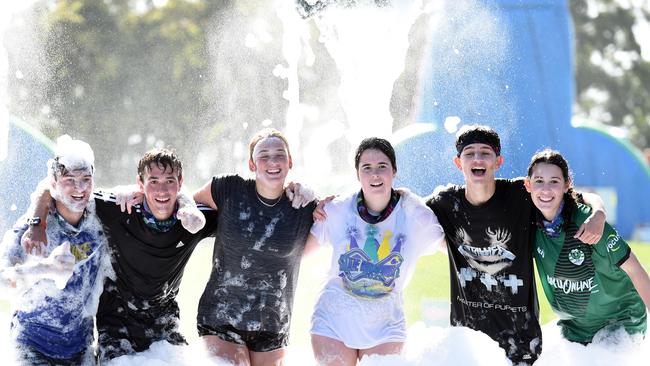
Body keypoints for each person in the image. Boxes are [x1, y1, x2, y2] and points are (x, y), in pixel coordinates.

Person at [425, 125, 607, 364]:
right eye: (469, 153)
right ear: (459, 162)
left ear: (498, 161)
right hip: (468, 339)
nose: (477, 159)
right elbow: (404, 212)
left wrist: (599, 214)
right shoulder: (445, 203)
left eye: (485, 153)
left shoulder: (521, 194)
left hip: (520, 340)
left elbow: (575, 195)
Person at [22, 147, 219, 362]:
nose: (162, 190)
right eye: (153, 181)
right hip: (117, 325)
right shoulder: (118, 209)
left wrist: (186, 202)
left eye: (169, 181)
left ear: (180, 183)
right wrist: (37, 224)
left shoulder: (192, 221)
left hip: (164, 322)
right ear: (140, 184)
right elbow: (51, 187)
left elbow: (237, 214)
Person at [307, 137, 445, 365]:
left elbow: (455, 251)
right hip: (333, 320)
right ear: (357, 174)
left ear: (394, 171)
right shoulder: (338, 209)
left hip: (386, 324)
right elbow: (298, 252)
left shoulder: (414, 214)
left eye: (382, 166)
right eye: (367, 168)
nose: (375, 175)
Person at [192, 128, 317, 366]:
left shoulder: (303, 206)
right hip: (221, 315)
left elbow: (344, 217)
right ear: (252, 165)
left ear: (290, 162)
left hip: (273, 322)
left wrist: (400, 199)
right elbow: (182, 203)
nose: (272, 161)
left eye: (280, 154)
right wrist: (136, 194)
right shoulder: (228, 189)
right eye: (263, 155)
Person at [0, 135, 110, 365]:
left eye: (86, 179)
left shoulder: (99, 222)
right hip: (31, 345)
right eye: (69, 179)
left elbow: (145, 194)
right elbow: (2, 281)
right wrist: (44, 268)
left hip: (80, 349)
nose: (79, 188)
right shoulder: (31, 230)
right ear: (54, 182)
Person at [525, 148, 650, 343]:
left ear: (567, 185)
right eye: (539, 181)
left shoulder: (587, 221)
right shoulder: (527, 221)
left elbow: (635, 270)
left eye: (555, 181)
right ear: (528, 184)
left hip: (621, 324)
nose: (546, 189)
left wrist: (599, 212)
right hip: (575, 330)